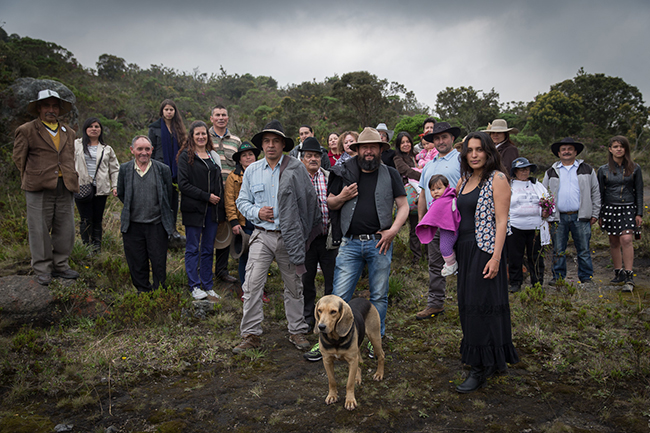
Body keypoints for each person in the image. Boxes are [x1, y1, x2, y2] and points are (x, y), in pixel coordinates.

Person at [233, 120, 322, 354]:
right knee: (252, 285)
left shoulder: (296, 168)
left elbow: (309, 201)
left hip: (289, 237)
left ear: (283, 144)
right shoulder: (252, 170)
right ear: (262, 145)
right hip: (262, 235)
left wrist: (302, 231)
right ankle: (250, 334)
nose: (271, 145)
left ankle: (297, 330)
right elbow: (241, 201)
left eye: (275, 141)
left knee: (294, 285)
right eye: (266, 141)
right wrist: (257, 212)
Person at [328, 127, 408, 341]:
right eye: (365, 147)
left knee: (379, 296)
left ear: (381, 149)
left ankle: (376, 339)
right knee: (339, 296)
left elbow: (403, 205)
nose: (369, 151)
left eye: (374, 147)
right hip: (350, 243)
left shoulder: (390, 173)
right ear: (358, 149)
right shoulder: (343, 171)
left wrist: (393, 231)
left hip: (379, 243)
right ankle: (333, 339)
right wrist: (343, 196)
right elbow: (330, 202)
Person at [454, 131, 519, 393]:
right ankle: (490, 360)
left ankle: (479, 368)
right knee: (468, 304)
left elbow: (502, 221)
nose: (474, 155)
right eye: (469, 150)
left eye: (479, 149)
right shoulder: (464, 180)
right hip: (465, 249)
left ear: (489, 151)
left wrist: (496, 257)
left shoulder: (498, 178)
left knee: (482, 306)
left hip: (485, 248)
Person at [13, 89, 80, 286]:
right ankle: (42, 268)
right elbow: (19, 158)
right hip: (38, 187)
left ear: (59, 109)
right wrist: (35, 176)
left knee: (65, 227)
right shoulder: (27, 130)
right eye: (46, 106)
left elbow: (70, 157)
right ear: (39, 108)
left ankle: (61, 264)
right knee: (39, 228)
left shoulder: (69, 131)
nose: (51, 110)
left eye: (54, 106)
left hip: (65, 185)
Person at [297, 137, 338, 362]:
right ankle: (308, 317)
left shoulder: (329, 177)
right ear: (302, 159)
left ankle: (330, 319)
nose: (313, 159)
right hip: (306, 240)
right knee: (307, 278)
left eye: (316, 156)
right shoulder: (297, 178)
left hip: (327, 237)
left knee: (332, 279)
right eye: (309, 156)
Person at [416, 122, 462, 319]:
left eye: (444, 137)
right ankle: (435, 303)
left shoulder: (461, 159)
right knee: (435, 263)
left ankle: (468, 303)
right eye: (436, 138)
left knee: (464, 262)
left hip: (457, 222)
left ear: (452, 138)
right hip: (433, 222)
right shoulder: (429, 165)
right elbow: (423, 194)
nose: (440, 141)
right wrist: (421, 220)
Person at [117, 136, 174, 292]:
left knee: (158, 262)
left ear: (152, 150)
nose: (144, 152)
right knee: (136, 262)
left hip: (156, 225)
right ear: (132, 150)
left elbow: (169, 197)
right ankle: (143, 292)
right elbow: (122, 194)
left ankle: (159, 292)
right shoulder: (125, 169)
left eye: (147, 149)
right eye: (140, 149)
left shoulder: (163, 169)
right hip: (133, 225)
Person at [542, 137, 600, 286]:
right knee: (558, 249)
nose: (566, 152)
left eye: (569, 149)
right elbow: (544, 194)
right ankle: (558, 276)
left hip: (580, 216)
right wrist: (547, 214)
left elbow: (595, 192)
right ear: (559, 153)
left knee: (584, 249)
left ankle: (586, 277)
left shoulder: (587, 169)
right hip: (558, 217)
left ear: (575, 152)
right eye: (563, 149)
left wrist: (595, 213)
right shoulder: (551, 171)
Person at [177, 121, 225, 300]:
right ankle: (194, 286)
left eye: (204, 133)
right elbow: (183, 184)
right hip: (194, 210)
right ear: (192, 136)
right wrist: (206, 196)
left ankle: (208, 285)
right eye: (197, 134)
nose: (201, 137)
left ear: (208, 135)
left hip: (212, 211)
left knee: (207, 249)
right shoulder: (185, 156)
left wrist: (218, 208)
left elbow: (218, 183)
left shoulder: (213, 155)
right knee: (192, 248)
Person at [597, 136, 643, 290]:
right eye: (615, 146)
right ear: (610, 149)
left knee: (627, 239)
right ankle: (618, 273)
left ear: (626, 149)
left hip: (629, 207)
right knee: (614, 241)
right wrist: (600, 214)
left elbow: (639, 193)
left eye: (621, 147)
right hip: (609, 208)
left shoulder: (635, 168)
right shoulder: (603, 169)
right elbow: (600, 193)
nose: (618, 149)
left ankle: (629, 276)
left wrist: (639, 213)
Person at [73, 117, 120, 252]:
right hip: (81, 186)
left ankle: (97, 247)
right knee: (85, 218)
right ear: (85, 129)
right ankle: (86, 247)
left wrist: (115, 186)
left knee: (97, 218)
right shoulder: (76, 144)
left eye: (97, 127)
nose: (94, 129)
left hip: (101, 187)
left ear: (101, 130)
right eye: (91, 126)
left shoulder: (107, 149)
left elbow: (115, 169)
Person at [507, 157, 551, 292]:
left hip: (535, 227)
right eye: (520, 169)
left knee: (536, 256)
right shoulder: (509, 185)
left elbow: (548, 201)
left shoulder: (537, 185)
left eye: (526, 169)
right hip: (515, 226)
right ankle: (515, 283)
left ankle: (537, 282)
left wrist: (547, 210)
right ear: (515, 171)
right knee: (515, 256)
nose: (524, 172)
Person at [208, 104, 240, 284]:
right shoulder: (204, 136)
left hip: (229, 193)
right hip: (209, 192)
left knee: (226, 231)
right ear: (211, 118)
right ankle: (203, 268)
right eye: (217, 115)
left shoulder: (235, 140)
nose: (221, 117)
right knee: (207, 231)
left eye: (224, 115)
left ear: (228, 118)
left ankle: (221, 270)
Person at [149, 99, 187, 244]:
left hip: (175, 171)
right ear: (162, 111)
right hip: (159, 168)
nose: (169, 112)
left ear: (175, 111)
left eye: (171, 109)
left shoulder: (179, 128)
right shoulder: (154, 128)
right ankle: (161, 230)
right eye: (166, 109)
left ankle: (172, 230)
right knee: (160, 200)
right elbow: (150, 150)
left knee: (173, 202)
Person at [416, 175, 460, 276]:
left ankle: (451, 264)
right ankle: (451, 264)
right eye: (432, 189)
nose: (435, 192)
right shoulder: (443, 200)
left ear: (447, 187)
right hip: (448, 228)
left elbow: (431, 215)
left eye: (439, 188)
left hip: (449, 229)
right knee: (444, 247)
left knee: (445, 247)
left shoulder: (442, 201)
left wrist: (425, 223)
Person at [392, 131, 423, 264]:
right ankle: (417, 257)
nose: (406, 144)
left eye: (407, 141)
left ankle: (428, 254)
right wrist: (424, 177)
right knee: (415, 225)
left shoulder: (418, 155)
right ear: (399, 145)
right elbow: (405, 171)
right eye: (402, 142)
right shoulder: (398, 158)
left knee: (427, 223)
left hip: (424, 191)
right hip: (412, 193)